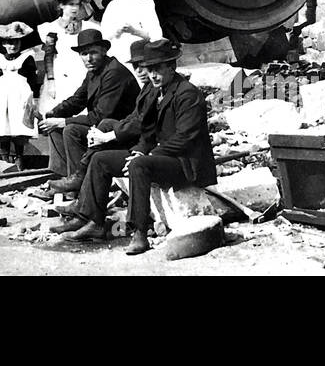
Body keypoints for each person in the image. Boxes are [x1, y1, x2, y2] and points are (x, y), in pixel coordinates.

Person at [63, 37, 217, 256]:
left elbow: (185, 138)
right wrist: (139, 150)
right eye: (149, 69)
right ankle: (94, 221)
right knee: (101, 160)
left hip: (185, 164)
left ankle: (140, 233)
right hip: (160, 156)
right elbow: (146, 129)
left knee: (139, 166)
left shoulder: (187, 94)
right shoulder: (154, 90)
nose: (152, 74)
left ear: (172, 67)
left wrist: (147, 155)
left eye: (157, 69)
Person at [37, 28, 139, 191]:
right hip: (101, 127)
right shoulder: (95, 70)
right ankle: (64, 180)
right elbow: (78, 99)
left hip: (119, 133)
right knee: (54, 128)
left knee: (71, 130)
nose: (89, 58)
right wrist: (52, 114)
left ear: (104, 51)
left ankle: (80, 185)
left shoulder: (114, 72)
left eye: (93, 53)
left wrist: (62, 121)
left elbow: (101, 116)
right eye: (84, 54)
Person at [0, 21, 42, 164]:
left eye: (16, 42)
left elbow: (32, 79)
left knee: (19, 127)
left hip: (20, 95)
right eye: (9, 43)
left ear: (20, 43)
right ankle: (5, 158)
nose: (12, 46)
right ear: (3, 44)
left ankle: (20, 158)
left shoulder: (26, 58)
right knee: (4, 126)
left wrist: (32, 97)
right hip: (3, 95)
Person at [35, 0, 100, 106]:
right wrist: (52, 81)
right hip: (61, 76)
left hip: (83, 73)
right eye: (71, 4)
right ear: (61, 5)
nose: (75, 8)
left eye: (77, 4)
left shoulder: (89, 27)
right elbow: (49, 56)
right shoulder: (51, 28)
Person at [100, 0, 163, 69]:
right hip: (119, 55)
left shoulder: (145, 4)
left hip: (141, 54)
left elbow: (155, 35)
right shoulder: (113, 6)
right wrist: (118, 31)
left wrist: (134, 31)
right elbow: (105, 35)